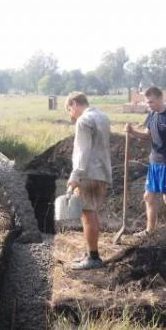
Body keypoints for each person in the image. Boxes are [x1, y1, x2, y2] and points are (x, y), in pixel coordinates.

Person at [125, 86, 166, 235]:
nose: (149, 105)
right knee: (148, 196)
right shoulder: (151, 114)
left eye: (151, 102)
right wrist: (132, 131)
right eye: (147, 102)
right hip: (154, 162)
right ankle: (149, 231)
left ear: (160, 98)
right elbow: (147, 136)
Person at [65, 92, 112, 270]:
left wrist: (75, 176)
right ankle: (89, 252)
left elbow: (83, 152)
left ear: (75, 103)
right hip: (102, 172)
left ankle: (93, 257)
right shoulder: (103, 117)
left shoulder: (83, 121)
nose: (71, 114)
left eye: (70, 109)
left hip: (88, 173)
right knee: (91, 212)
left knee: (87, 213)